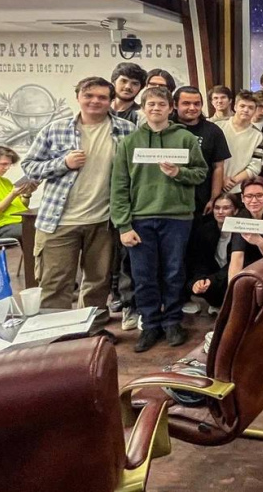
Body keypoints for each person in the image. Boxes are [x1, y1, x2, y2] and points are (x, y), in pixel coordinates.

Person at [22, 76, 136, 332]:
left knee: (98, 282)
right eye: (89, 96)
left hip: (103, 220)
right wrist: (63, 163)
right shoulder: (55, 129)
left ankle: (91, 333)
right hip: (59, 221)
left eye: (102, 97)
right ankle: (55, 335)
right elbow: (29, 167)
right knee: (55, 283)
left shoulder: (126, 130)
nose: (95, 101)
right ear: (78, 97)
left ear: (111, 101)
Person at [111, 86, 207, 352]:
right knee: (143, 275)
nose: (156, 108)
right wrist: (123, 225)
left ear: (170, 108)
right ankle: (150, 323)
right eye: (151, 104)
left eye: (161, 104)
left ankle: (173, 321)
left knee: (174, 272)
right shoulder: (129, 143)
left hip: (177, 217)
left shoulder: (185, 138)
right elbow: (119, 186)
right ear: (143, 108)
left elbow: (201, 173)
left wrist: (179, 173)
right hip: (140, 218)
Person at [172, 86, 230, 217]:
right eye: (186, 103)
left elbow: (218, 167)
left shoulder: (213, 131)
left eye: (197, 104)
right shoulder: (167, 128)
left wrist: (214, 199)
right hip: (172, 198)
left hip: (202, 199)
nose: (192, 108)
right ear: (175, 105)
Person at [187, 192, 240, 313]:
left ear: (236, 211)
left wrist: (211, 280)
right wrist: (200, 280)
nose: (220, 212)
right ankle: (216, 304)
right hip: (212, 276)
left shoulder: (240, 232)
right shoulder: (205, 230)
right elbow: (200, 261)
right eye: (217, 208)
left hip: (230, 277)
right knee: (192, 283)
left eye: (226, 208)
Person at [0, 145, 37, 244]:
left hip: (17, 223)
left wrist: (27, 194)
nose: (7, 168)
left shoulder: (5, 182)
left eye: (9, 165)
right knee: (36, 230)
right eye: (3, 164)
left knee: (49, 224)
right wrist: (12, 195)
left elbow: (20, 208)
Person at [216, 90, 263, 194]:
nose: (246, 110)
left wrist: (233, 181)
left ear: (255, 110)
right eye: (242, 106)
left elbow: (255, 166)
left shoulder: (258, 136)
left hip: (239, 189)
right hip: (214, 184)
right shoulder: (218, 127)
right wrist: (221, 178)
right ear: (235, 107)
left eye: (250, 107)